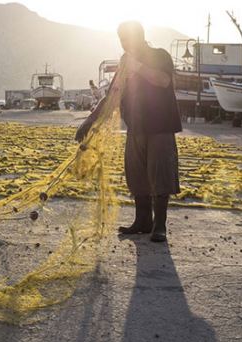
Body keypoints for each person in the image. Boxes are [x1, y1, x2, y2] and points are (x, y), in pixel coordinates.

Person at [76, 21, 181, 243]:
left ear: (140, 37)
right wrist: (90, 120)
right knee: (136, 174)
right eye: (121, 40)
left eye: (127, 39)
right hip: (136, 128)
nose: (124, 44)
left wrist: (138, 67)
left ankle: (159, 225)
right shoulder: (125, 63)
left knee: (160, 174)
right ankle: (142, 221)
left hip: (160, 126)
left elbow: (164, 81)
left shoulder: (159, 55)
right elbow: (113, 95)